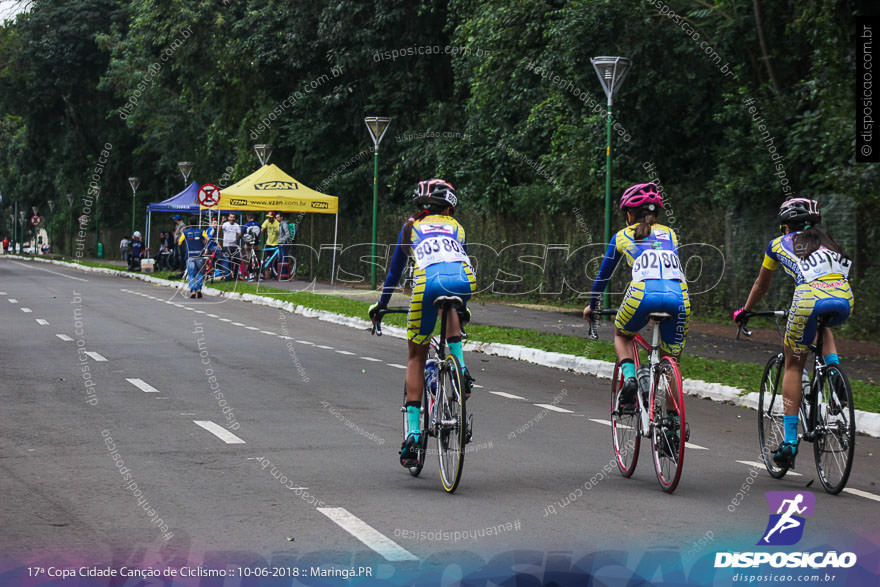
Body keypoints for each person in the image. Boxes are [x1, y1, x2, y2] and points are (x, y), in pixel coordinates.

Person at [733, 198, 853, 468]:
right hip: (844, 297)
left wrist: (745, 310)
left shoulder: (778, 244)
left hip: (808, 298)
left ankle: (789, 442)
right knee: (824, 326)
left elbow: (761, 284)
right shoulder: (830, 242)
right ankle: (835, 379)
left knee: (793, 365)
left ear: (786, 227)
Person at [368, 179, 476, 467]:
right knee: (452, 305)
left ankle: (414, 434)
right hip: (465, 281)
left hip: (427, 284)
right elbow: (453, 262)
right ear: (450, 206)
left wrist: (382, 305)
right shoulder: (458, 228)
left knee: (416, 356)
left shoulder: (410, 227)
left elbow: (394, 272)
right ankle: (461, 368)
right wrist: (462, 309)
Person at [583, 182, 691, 417]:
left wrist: (593, 306)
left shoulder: (621, 236)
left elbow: (602, 277)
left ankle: (631, 379)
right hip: (679, 298)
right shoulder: (671, 234)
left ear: (629, 214)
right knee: (671, 359)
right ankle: (673, 422)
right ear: (655, 213)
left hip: (643, 295)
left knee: (622, 334)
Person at [178, 216, 209, 298]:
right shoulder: (202, 231)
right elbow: (207, 239)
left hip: (190, 256)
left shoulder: (185, 232)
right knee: (200, 273)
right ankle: (199, 289)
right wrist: (203, 244)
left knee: (191, 274)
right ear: (197, 222)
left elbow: (179, 243)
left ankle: (193, 290)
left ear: (189, 223)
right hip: (199, 256)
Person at [221, 213, 242, 280]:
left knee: (238, 260)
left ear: (235, 218)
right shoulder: (225, 224)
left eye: (233, 217)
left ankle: (235, 276)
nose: (232, 219)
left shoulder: (237, 225)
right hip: (227, 245)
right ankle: (229, 276)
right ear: (228, 218)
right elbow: (219, 232)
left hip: (234, 245)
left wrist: (238, 237)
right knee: (229, 261)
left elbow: (239, 234)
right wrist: (221, 222)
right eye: (231, 217)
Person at [260, 211, 280, 275]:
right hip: (268, 243)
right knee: (266, 259)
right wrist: (259, 234)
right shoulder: (267, 221)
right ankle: (263, 272)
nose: (269, 219)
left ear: (274, 218)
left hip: (275, 244)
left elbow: (279, 233)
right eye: (268, 217)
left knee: (274, 260)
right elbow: (262, 229)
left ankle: (274, 274)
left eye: (271, 217)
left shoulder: (277, 224)